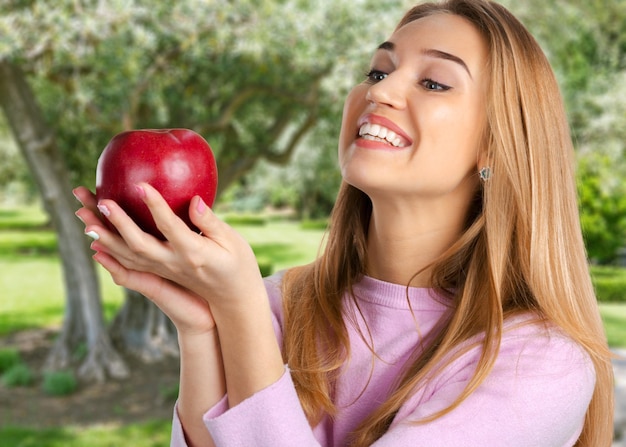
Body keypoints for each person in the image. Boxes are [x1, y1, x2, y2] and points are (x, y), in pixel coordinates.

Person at [74, 0, 615, 445]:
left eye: (433, 83)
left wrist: (237, 309)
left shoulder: (537, 365)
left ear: (497, 144)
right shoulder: (278, 305)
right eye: (378, 71)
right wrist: (200, 327)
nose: (378, 91)